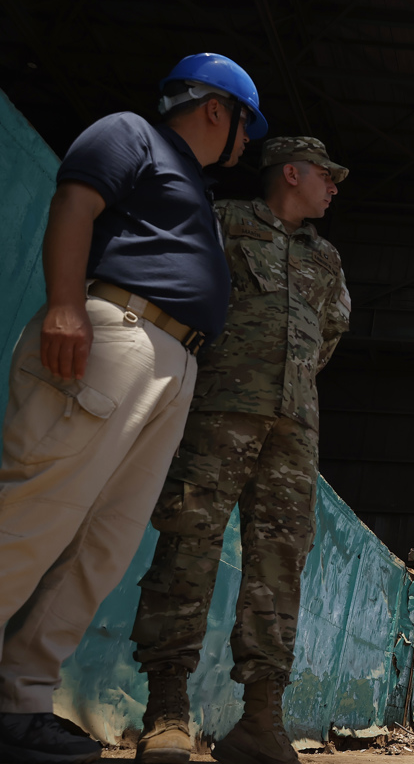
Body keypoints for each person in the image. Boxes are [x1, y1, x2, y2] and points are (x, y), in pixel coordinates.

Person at [0, 53, 266, 764]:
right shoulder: (132, 135)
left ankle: (20, 699)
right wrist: (63, 304)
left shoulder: (195, 187)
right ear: (219, 108)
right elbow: (76, 204)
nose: (248, 142)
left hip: (171, 362)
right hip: (115, 330)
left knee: (102, 547)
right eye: (248, 124)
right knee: (33, 512)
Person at [131, 137, 350, 764]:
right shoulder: (224, 222)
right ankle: (166, 710)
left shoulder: (326, 257)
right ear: (291, 172)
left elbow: (328, 331)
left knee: (279, 562)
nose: (333, 187)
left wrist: (290, 382)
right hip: (218, 411)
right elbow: (185, 292)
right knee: (189, 539)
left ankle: (260, 721)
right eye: (326, 176)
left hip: (293, 428)